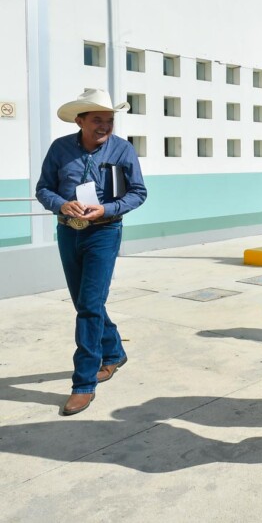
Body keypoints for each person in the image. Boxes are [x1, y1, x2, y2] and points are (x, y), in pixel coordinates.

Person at [35, 88, 147, 416]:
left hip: (105, 231)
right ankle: (113, 352)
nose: (104, 126)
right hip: (68, 232)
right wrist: (61, 204)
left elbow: (139, 192)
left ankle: (84, 383)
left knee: (88, 307)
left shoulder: (122, 150)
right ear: (80, 120)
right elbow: (43, 188)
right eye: (97, 119)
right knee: (87, 303)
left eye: (109, 120)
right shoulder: (60, 149)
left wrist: (107, 209)